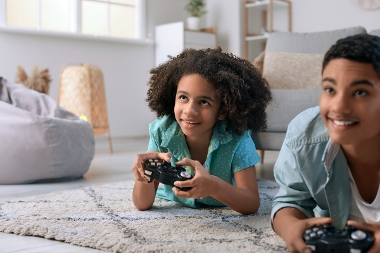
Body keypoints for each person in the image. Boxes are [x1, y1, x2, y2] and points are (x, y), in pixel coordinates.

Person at [271, 34, 380, 253]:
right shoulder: (304, 136)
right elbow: (291, 200)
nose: (338, 107)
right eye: (330, 89)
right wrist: (291, 227)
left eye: (360, 92)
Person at [132, 47, 272, 214]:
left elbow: (251, 203)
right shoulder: (162, 131)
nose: (190, 110)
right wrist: (146, 173)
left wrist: (213, 186)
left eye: (204, 102)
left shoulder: (237, 138)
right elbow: (142, 204)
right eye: (183, 97)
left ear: (222, 111)